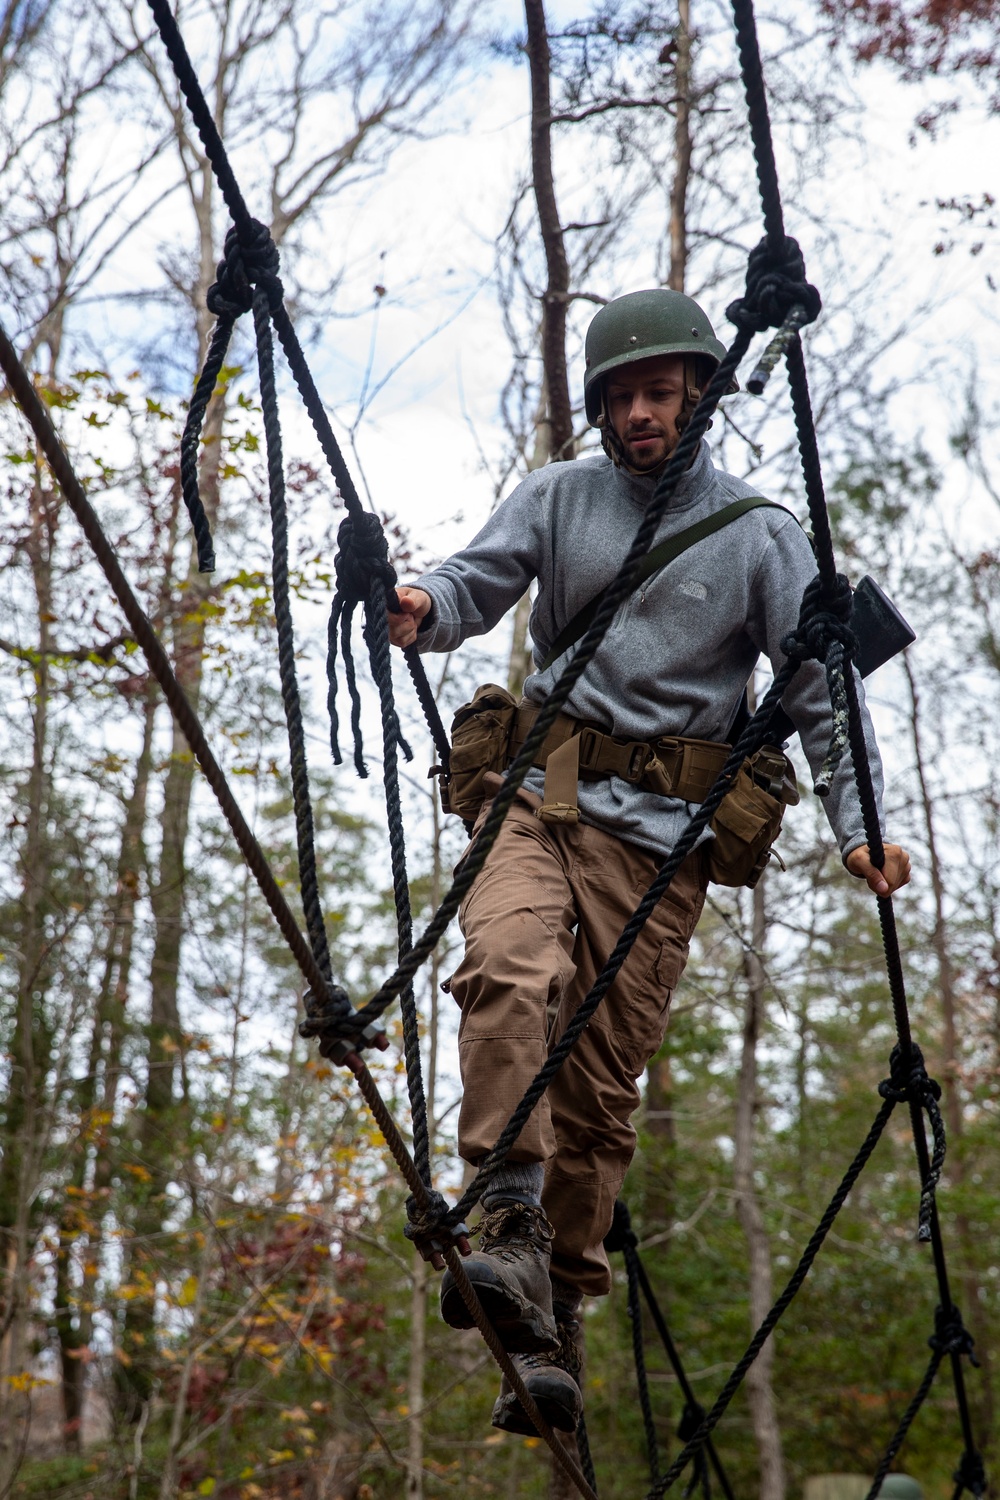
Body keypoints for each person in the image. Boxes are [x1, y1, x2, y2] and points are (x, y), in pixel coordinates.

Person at [386, 289, 911, 1436]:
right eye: (619, 395)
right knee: (511, 966)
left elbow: (822, 688)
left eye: (658, 393)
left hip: (660, 843)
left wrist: (857, 821)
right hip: (543, 794)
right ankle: (508, 1222)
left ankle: (553, 1318)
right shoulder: (561, 496)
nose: (637, 413)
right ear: (599, 405)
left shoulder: (760, 533)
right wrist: (421, 603)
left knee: (598, 1090)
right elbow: (477, 578)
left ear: (699, 395)